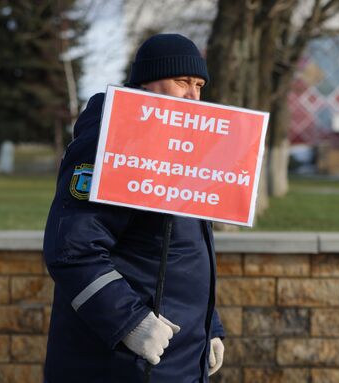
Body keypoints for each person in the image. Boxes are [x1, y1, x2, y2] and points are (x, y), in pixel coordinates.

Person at [43, 33, 225, 383]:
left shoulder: (181, 152)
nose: (193, 95)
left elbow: (181, 253)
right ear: (147, 82)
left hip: (178, 358)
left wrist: (208, 325)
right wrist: (129, 322)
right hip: (121, 363)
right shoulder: (112, 140)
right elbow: (72, 249)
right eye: (181, 82)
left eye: (199, 85)